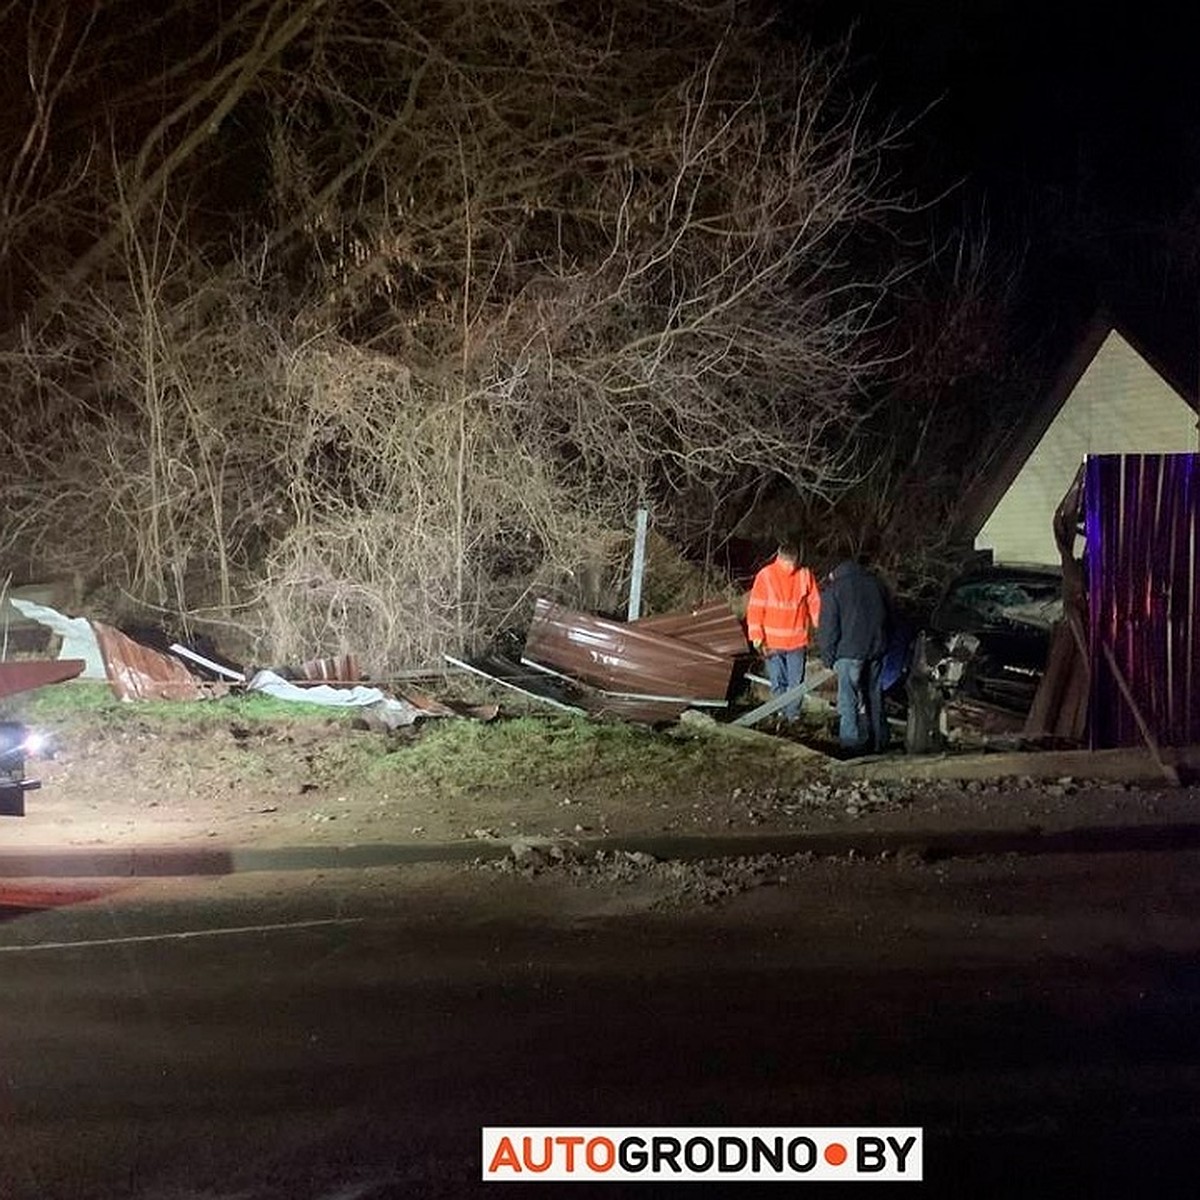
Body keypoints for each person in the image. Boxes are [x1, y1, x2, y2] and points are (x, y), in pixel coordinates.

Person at [818, 554, 892, 755]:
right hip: (876, 649)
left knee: (848, 698)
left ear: (833, 573)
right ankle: (879, 741)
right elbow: (889, 616)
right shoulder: (876, 585)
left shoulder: (833, 591)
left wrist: (827, 656)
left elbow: (828, 628)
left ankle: (851, 743)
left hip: (849, 652)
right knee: (874, 695)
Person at [745, 542, 821, 722]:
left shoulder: (804, 576)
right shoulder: (766, 576)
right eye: (787, 562)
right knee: (781, 682)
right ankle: (783, 714)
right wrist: (756, 636)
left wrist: (820, 627)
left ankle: (791, 716)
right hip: (774, 643)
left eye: (791, 563)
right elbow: (756, 609)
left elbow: (815, 603)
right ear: (780, 558)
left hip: (792, 642)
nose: (790, 566)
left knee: (793, 684)